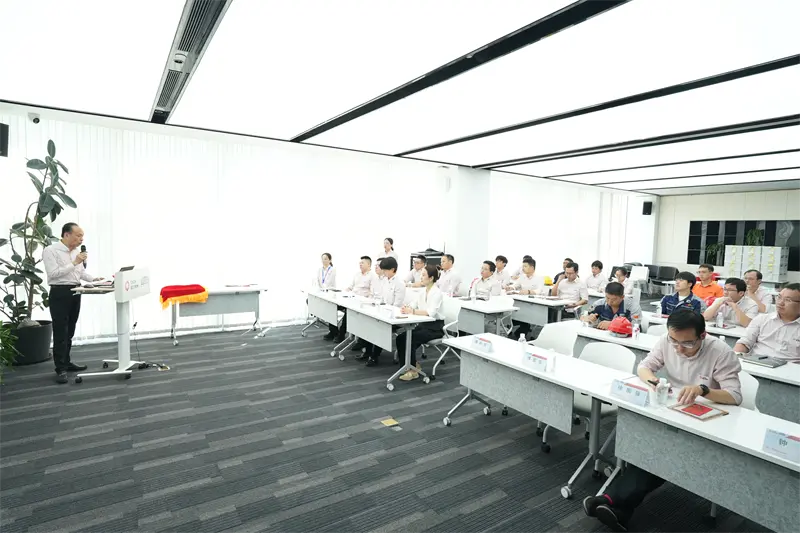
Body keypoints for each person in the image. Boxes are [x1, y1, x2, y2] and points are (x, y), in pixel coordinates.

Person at [583, 309, 742, 531]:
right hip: (674, 411)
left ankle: (610, 500)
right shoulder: (668, 340)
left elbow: (734, 396)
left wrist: (703, 390)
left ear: (702, 336)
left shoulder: (721, 352)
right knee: (653, 447)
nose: (679, 348)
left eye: (687, 343)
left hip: (707, 420)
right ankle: (617, 509)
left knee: (661, 452)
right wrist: (654, 382)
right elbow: (644, 367)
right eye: (674, 341)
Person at [42, 223, 104, 384]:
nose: (81, 239)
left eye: (82, 236)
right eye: (78, 235)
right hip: (60, 293)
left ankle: (67, 362)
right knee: (60, 331)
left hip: (76, 292)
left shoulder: (76, 252)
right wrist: (75, 262)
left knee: (70, 330)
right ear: (66, 235)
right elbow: (53, 274)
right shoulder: (50, 251)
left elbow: (80, 273)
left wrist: (94, 279)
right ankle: (60, 368)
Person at [396, 265, 445, 381]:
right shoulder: (423, 291)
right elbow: (414, 304)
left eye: (423, 275)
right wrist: (407, 307)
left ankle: (413, 370)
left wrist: (412, 311)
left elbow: (431, 313)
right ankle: (408, 366)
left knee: (411, 339)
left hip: (435, 328)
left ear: (431, 278)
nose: (421, 277)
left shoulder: (437, 293)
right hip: (423, 325)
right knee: (401, 338)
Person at [734, 283, 800, 361]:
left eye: (788, 300)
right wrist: (736, 359)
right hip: (757, 362)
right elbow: (744, 343)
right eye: (779, 297)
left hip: (790, 367)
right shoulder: (762, 319)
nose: (780, 302)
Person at [363, 257, 405, 366]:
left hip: (394, 315)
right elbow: (382, 298)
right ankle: (368, 352)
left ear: (393, 269)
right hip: (384, 311)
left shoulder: (399, 283)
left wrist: (385, 310)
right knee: (368, 323)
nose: (384, 272)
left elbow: (397, 305)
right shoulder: (386, 281)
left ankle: (374, 356)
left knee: (379, 327)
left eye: (386, 270)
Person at [507, 258, 543, 339]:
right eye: (523, 266)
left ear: (532, 267)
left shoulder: (539, 277)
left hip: (534, 303)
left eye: (525, 266)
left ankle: (525, 328)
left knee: (526, 316)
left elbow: (539, 291)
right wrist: (510, 288)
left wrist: (529, 291)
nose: (523, 268)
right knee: (518, 314)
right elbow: (516, 285)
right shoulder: (522, 277)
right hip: (522, 301)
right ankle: (522, 327)